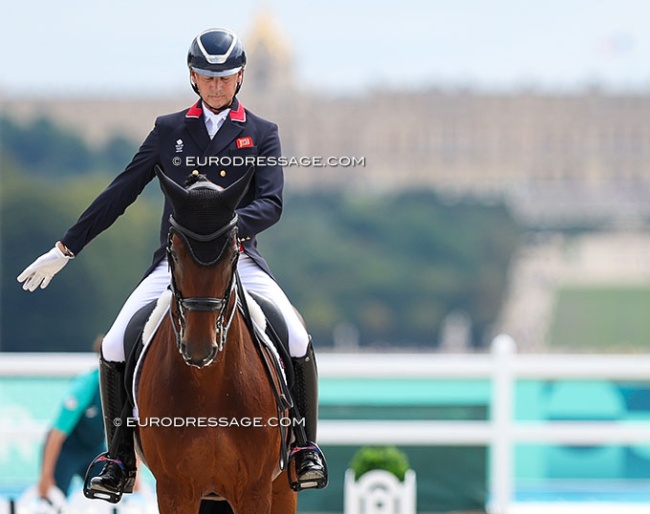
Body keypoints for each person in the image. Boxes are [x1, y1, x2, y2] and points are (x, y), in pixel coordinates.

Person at [17, 27, 327, 501]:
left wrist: (225, 228)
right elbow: (121, 190)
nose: (217, 86)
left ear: (240, 76)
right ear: (193, 77)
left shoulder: (262, 133)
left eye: (225, 78)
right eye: (207, 77)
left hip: (237, 257)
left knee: (298, 335)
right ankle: (119, 457)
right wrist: (65, 248)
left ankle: (304, 448)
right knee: (118, 341)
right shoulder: (169, 131)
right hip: (177, 262)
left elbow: (272, 203)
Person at [37, 336, 105, 499]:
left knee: (109, 497)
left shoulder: (126, 388)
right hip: (67, 450)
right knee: (54, 500)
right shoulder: (85, 385)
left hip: (94, 449)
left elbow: (132, 431)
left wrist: (134, 474)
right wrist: (45, 475)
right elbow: (56, 433)